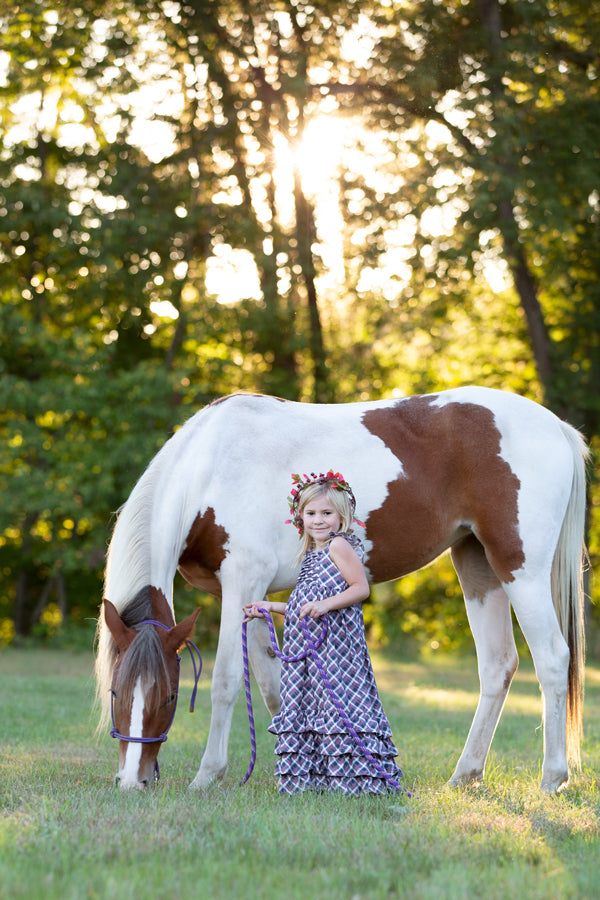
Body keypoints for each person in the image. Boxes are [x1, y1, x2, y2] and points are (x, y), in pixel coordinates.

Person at [243, 470, 403, 795]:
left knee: (338, 704)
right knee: (311, 706)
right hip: (311, 652)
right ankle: (316, 779)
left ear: (341, 516)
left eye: (326, 513)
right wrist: (271, 607)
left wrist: (328, 604)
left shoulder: (339, 546)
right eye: (311, 513)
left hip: (337, 650)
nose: (318, 520)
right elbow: (305, 606)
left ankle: (354, 779)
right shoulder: (310, 556)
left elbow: (360, 588)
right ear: (300, 516)